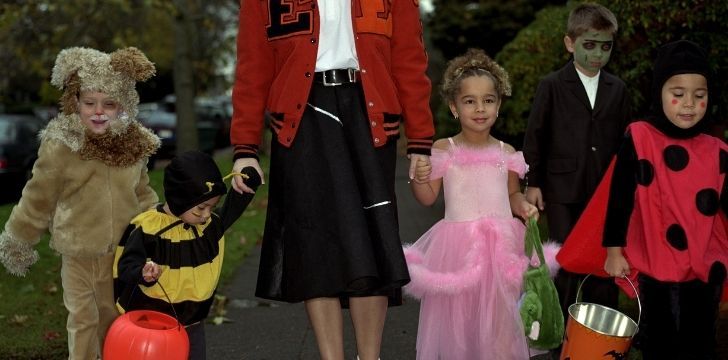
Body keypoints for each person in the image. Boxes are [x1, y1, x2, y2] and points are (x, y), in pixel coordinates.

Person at [229, 1, 435, 358]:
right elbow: (253, 66)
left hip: (369, 118)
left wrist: (420, 139)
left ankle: (369, 356)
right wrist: (245, 146)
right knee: (315, 246)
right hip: (301, 120)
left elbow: (409, 59)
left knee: (370, 244)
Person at [0, 47, 159, 359]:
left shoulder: (132, 146)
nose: (98, 112)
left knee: (115, 319)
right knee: (83, 320)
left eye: (109, 104)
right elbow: (38, 197)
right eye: (89, 103)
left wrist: (159, 229)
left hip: (122, 253)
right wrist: (19, 238)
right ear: (74, 102)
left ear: (123, 105)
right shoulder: (62, 146)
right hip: (78, 253)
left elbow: (143, 194)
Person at [403, 48, 555, 360]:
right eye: (469, 101)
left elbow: (512, 194)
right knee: (459, 325)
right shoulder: (444, 149)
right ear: (454, 107)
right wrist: (419, 176)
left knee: (500, 324)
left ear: (499, 105)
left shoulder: (506, 152)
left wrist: (523, 205)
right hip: (457, 251)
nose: (480, 108)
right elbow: (427, 197)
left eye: (488, 100)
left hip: (501, 252)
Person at [602, 40, 727, 359]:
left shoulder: (718, 151)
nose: (688, 104)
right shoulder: (641, 138)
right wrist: (614, 251)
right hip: (657, 265)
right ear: (659, 92)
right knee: (660, 340)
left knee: (699, 341)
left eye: (699, 96)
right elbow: (619, 198)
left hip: (703, 267)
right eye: (678, 93)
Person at [522, 2, 631, 320]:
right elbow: (535, 137)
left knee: (601, 263)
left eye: (605, 46)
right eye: (589, 45)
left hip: (604, 195)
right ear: (570, 43)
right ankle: (561, 337)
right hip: (561, 191)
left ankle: (600, 335)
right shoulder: (552, 85)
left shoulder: (618, 89)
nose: (597, 53)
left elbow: (625, 143)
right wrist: (534, 183)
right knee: (566, 262)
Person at [113, 150, 261, 360]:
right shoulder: (149, 229)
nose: (207, 214)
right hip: (152, 325)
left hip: (193, 324)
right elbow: (126, 265)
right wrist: (142, 272)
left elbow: (232, 208)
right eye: (201, 207)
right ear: (179, 199)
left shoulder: (208, 226)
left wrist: (249, 182)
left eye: (212, 207)